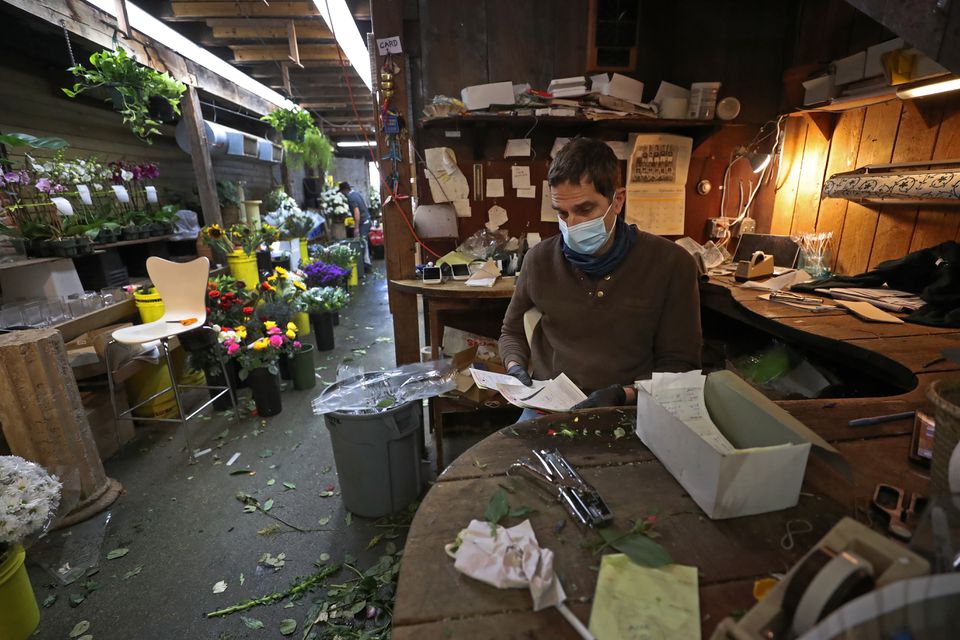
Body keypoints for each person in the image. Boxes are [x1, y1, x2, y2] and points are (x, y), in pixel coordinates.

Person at [498, 137, 702, 416]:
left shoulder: (670, 264)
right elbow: (511, 332)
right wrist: (515, 367)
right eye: (562, 213)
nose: (571, 225)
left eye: (584, 210)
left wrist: (624, 395)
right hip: (550, 405)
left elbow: (681, 364)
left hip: (631, 405)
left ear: (617, 201)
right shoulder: (539, 261)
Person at [338, 181, 374, 270]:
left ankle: (366, 264)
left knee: (362, 242)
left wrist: (356, 227)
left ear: (345, 190)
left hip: (363, 222)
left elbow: (356, 211)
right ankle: (367, 260)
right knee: (364, 241)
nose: (342, 194)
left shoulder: (350, 197)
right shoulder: (356, 194)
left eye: (342, 192)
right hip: (367, 219)